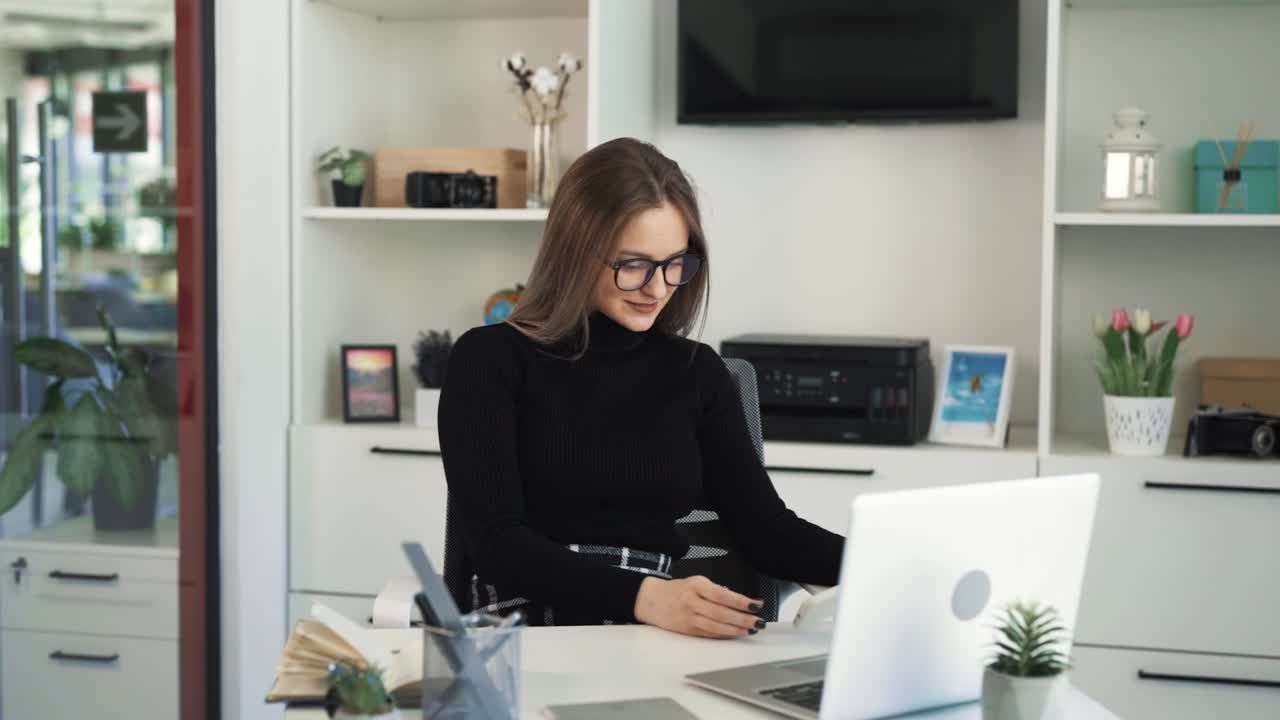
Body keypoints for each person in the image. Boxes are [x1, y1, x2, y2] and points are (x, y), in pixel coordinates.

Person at [438, 138, 843, 639]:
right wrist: (644, 597)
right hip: (528, 630)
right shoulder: (490, 359)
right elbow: (497, 545)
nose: (658, 287)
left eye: (676, 263)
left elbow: (768, 533)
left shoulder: (697, 373)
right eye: (633, 265)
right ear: (577, 252)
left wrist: (891, 565)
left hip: (650, 630)